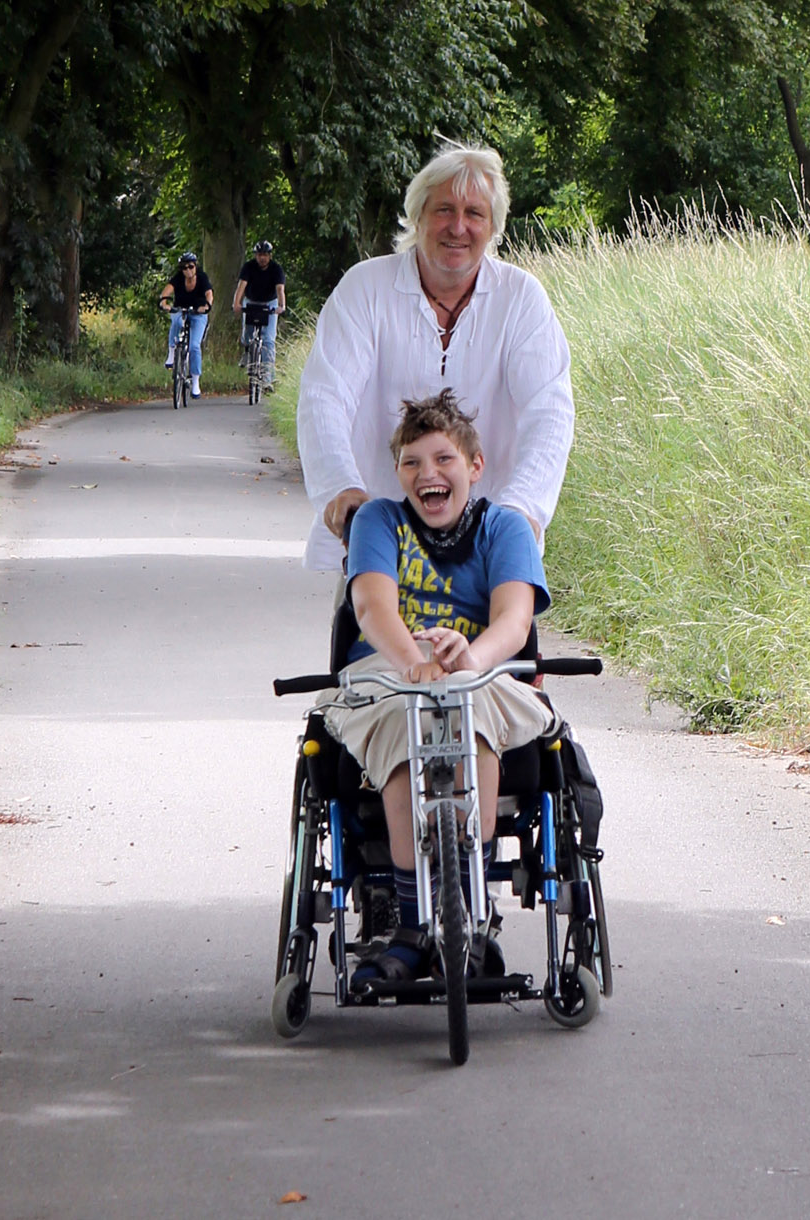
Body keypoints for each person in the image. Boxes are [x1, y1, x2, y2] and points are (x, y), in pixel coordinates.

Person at [319, 389, 559, 988]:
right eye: (412, 464)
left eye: (443, 459)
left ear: (475, 466)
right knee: (412, 720)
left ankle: (470, 917)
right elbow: (372, 606)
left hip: (481, 668)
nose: (428, 474)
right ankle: (409, 923)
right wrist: (413, 663)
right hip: (388, 669)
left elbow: (514, 619)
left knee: (466, 712)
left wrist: (468, 657)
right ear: (399, 474)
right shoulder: (379, 521)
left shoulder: (505, 529)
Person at [296, 142, 574, 572]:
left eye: (474, 213)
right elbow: (325, 397)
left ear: (493, 225)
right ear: (418, 216)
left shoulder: (522, 300)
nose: (458, 227)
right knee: (369, 638)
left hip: (488, 547)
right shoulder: (364, 289)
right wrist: (341, 489)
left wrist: (523, 509)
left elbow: (549, 411)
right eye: (444, 210)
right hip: (377, 543)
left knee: (503, 639)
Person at [233, 239, 287, 386]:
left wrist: (281, 306)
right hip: (251, 301)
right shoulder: (249, 267)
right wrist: (236, 303)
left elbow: (280, 289)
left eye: (265, 255)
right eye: (259, 255)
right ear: (256, 256)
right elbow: (241, 286)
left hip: (270, 303)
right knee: (247, 333)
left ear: (269, 256)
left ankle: (267, 379)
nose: (262, 258)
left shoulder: (276, 269)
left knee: (268, 340)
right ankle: (247, 352)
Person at [159, 251, 213, 397]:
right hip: (181, 309)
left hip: (198, 313)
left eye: (191, 266)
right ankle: (171, 355)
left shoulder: (202, 277)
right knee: (176, 320)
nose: (188, 270)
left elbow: (209, 293)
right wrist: (164, 302)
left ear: (195, 266)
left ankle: (195, 381)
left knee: (195, 346)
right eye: (184, 268)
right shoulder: (178, 278)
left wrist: (207, 306)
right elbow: (167, 290)